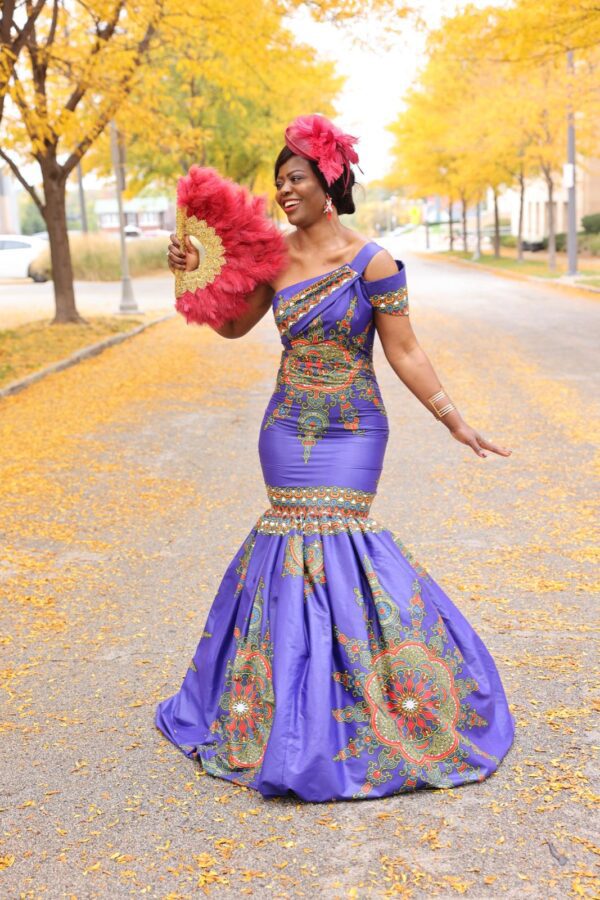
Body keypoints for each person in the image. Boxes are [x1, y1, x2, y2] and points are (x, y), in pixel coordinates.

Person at [157, 114, 516, 802]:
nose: (284, 192)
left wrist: (455, 422)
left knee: (341, 545)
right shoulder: (270, 257)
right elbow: (233, 327)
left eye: (296, 178)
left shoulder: (372, 262)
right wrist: (190, 275)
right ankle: (288, 717)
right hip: (286, 426)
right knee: (289, 548)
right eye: (278, 183)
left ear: (331, 182)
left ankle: (385, 703)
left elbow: (405, 350)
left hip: (355, 429)